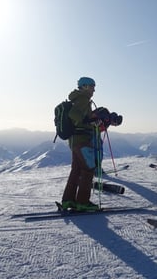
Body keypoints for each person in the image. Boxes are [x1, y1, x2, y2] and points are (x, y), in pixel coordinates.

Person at [60, 77, 101, 212]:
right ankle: (83, 202)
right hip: (82, 139)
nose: (94, 89)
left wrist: (89, 120)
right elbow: (73, 114)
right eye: (92, 86)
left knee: (76, 170)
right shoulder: (83, 98)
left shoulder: (77, 98)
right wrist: (88, 121)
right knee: (88, 169)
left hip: (74, 140)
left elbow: (75, 115)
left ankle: (68, 200)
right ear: (84, 86)